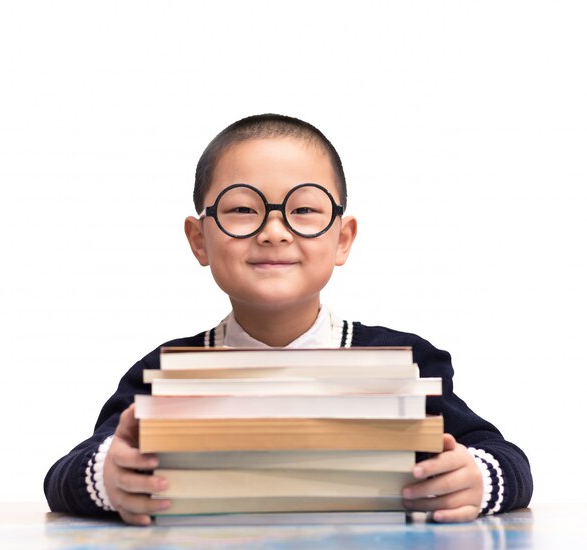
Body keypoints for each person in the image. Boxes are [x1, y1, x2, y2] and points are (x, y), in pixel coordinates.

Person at [44, 114, 533, 526]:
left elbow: (507, 460)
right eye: (242, 209)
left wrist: (475, 478)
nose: (274, 232)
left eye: (303, 209)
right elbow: (64, 475)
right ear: (199, 240)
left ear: (342, 238)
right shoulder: (168, 370)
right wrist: (108, 479)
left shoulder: (405, 364)